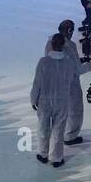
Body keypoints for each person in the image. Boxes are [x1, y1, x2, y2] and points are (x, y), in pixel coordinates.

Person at [30, 32, 80, 166]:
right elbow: (70, 80)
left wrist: (33, 99)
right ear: (63, 45)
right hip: (62, 101)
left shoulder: (43, 62)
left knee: (43, 128)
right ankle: (56, 158)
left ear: (51, 45)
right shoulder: (68, 63)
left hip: (44, 100)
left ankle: (43, 153)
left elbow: (37, 83)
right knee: (59, 130)